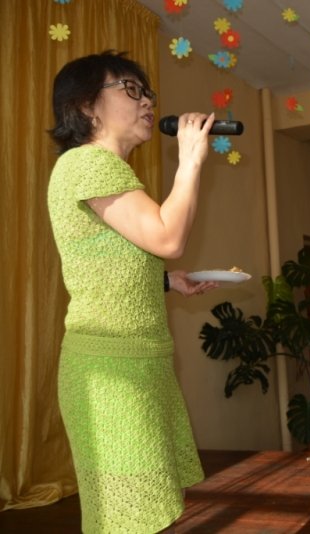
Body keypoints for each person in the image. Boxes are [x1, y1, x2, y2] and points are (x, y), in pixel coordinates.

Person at [47, 51, 218, 533]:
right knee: (128, 520)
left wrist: (166, 280)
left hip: (139, 364)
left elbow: (101, 259)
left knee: (147, 515)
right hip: (111, 374)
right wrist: (190, 161)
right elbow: (167, 237)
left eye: (148, 93)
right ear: (86, 106)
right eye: (131, 89)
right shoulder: (88, 163)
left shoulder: (102, 169)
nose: (147, 102)